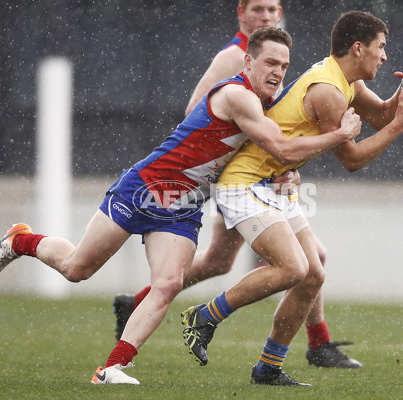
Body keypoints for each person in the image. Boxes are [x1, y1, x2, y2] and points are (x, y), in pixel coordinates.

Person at [0, 27, 361, 385]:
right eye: (270, 63)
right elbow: (279, 146)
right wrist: (340, 136)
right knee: (78, 268)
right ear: (248, 62)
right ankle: (20, 241)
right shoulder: (238, 95)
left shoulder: (270, 105)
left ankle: (111, 368)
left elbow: (274, 157)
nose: (278, 72)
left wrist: (287, 175)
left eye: (284, 66)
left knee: (169, 283)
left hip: (184, 206)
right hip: (144, 188)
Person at [181, 10, 403, 386]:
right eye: (381, 48)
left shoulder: (345, 81)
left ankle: (268, 367)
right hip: (244, 184)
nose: (385, 57)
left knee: (313, 272)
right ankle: (205, 316)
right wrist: (401, 123)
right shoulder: (329, 91)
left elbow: (384, 116)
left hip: (273, 182)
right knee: (292, 269)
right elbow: (352, 159)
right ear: (357, 48)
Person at [113, 0, 363, 370]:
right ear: (241, 13)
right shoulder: (233, 57)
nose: (266, 16)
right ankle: (317, 343)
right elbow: (196, 112)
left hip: (253, 173)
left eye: (273, 10)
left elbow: (278, 126)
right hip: (229, 176)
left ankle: (136, 301)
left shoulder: (273, 58)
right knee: (308, 262)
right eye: (258, 9)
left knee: (218, 262)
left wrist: (283, 166)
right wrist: (249, 157)